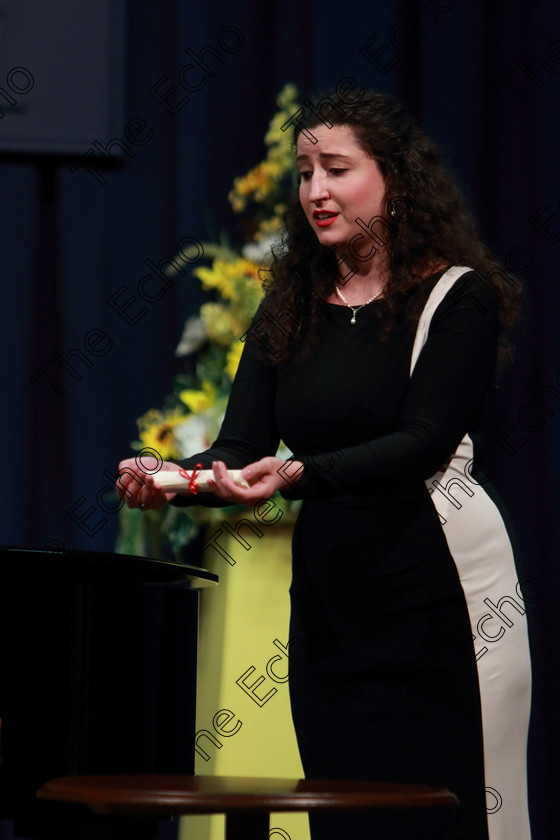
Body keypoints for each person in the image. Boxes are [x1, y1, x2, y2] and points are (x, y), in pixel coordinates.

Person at [116, 90, 532, 840]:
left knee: (455, 818)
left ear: (395, 181)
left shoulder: (454, 296)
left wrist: (300, 473)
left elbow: (422, 443)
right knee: (344, 820)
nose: (315, 190)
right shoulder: (290, 305)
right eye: (306, 172)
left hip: (440, 592)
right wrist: (171, 479)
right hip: (334, 610)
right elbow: (241, 450)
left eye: (336, 169)